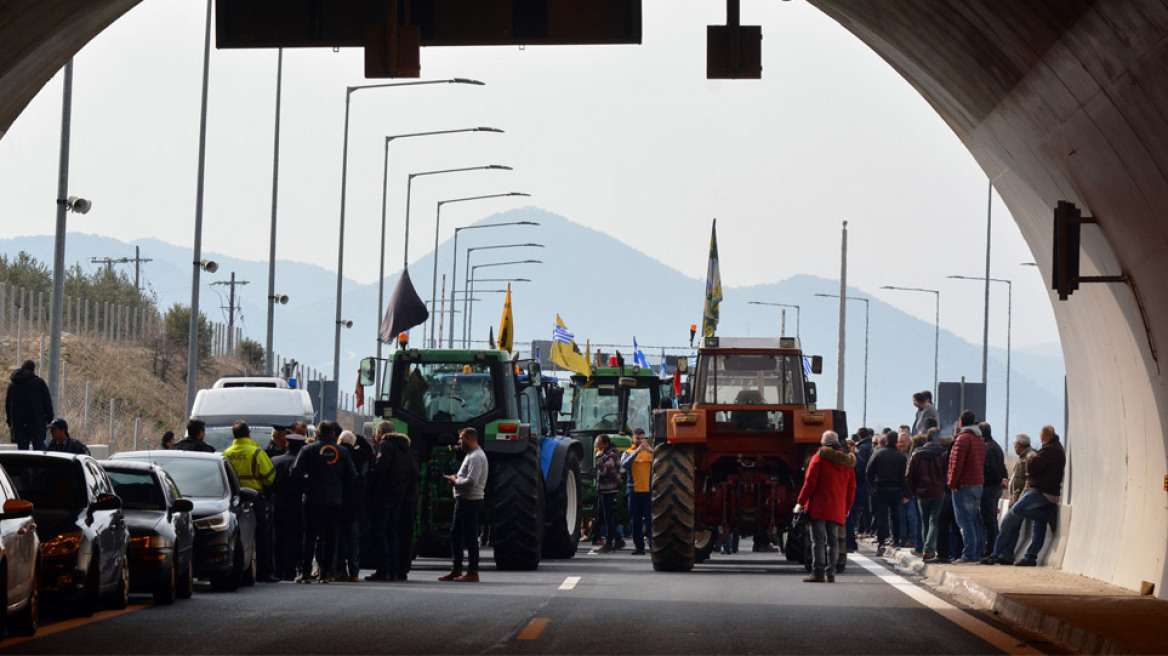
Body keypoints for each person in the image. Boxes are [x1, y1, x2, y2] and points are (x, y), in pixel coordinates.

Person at [987, 425, 1066, 566]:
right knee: (1038, 527)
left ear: (1043, 437)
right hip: (1045, 492)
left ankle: (995, 553)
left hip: (1040, 492)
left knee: (1015, 513)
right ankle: (1030, 557)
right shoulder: (1050, 449)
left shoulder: (1044, 451)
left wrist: (1020, 497)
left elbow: (1031, 470)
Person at [292, 420, 356, 583]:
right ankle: (326, 574)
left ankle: (306, 573)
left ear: (318, 433)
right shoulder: (342, 451)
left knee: (310, 537)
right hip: (334, 500)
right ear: (334, 434)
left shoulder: (308, 449)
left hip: (312, 499)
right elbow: (353, 475)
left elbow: (296, 472)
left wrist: (307, 484)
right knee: (331, 537)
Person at [797, 431, 857, 583]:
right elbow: (851, 488)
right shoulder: (847, 463)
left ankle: (818, 572)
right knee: (833, 540)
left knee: (818, 540)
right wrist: (848, 506)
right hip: (837, 508)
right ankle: (831, 573)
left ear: (823, 443)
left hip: (819, 506)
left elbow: (810, 483)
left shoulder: (818, 458)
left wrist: (800, 502)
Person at [222, 421, 279, 582]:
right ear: (248, 434)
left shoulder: (226, 453)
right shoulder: (256, 452)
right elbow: (270, 477)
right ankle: (263, 572)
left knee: (238, 536)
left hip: (233, 500)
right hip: (255, 499)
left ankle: (238, 568)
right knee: (262, 536)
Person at [366, 423, 417, 582]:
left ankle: (383, 569)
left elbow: (380, 469)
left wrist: (373, 488)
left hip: (384, 495)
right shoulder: (406, 448)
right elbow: (414, 472)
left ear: (380, 432)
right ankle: (395, 570)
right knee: (393, 533)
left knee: (380, 532)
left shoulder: (384, 445)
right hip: (400, 495)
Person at [439, 427, 488, 583]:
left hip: (469, 501)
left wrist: (455, 481)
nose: (459, 441)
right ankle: (457, 569)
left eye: (461, 438)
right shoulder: (471, 455)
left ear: (469, 438)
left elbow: (471, 482)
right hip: (464, 500)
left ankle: (472, 571)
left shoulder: (476, 457)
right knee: (456, 535)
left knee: (470, 536)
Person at [947, 410, 986, 564]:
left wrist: (952, 483)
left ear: (961, 422)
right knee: (975, 520)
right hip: (977, 483)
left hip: (964, 484)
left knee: (964, 521)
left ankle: (969, 554)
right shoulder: (979, 439)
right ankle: (977, 552)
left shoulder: (962, 439)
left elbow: (957, 464)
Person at [270, 429, 306, 581]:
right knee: (295, 538)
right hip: (298, 505)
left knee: (278, 538)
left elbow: (269, 484)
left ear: (286, 445)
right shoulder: (305, 464)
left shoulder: (275, 461)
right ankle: (291, 570)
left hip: (278, 504)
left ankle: (278, 570)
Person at [906, 429, 947, 560]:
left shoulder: (916, 454)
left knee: (924, 522)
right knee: (934, 520)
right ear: (939, 440)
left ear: (926, 439)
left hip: (921, 493)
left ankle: (926, 548)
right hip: (938, 492)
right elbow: (947, 474)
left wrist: (914, 490)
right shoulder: (944, 454)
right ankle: (929, 549)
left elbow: (908, 475)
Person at [336, 429, 370, 582]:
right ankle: (354, 572)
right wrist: (359, 438)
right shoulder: (360, 455)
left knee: (338, 539)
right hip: (355, 503)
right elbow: (368, 450)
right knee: (353, 540)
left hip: (338, 501)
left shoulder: (338, 455)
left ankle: (340, 571)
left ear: (340, 441)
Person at [866, 432, 908, 556]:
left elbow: (868, 471)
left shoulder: (878, 454)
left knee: (881, 515)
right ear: (895, 441)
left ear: (886, 441)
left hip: (880, 488)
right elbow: (903, 477)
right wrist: (905, 492)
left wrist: (873, 484)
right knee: (895, 515)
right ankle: (896, 540)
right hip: (896, 489)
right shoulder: (901, 456)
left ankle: (881, 542)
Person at [5, 360, 54, 451]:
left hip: (19, 424)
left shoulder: (13, 385)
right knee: (40, 450)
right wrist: (49, 419)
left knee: (23, 453)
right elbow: (47, 402)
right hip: (37, 423)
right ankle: (41, 465)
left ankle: (24, 465)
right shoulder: (39, 383)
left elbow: (8, 406)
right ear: (33, 369)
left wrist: (10, 422)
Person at [978, 421, 1009, 562]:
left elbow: (992, 468)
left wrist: (994, 480)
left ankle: (990, 550)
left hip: (989, 487)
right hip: (994, 487)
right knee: (990, 518)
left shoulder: (987, 448)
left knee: (988, 519)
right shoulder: (995, 446)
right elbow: (1002, 467)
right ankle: (993, 549)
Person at [621, 428, 653, 555]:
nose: (640, 441)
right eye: (637, 438)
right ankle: (639, 547)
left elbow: (661, 462)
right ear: (633, 438)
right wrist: (636, 453)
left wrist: (652, 451)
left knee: (650, 520)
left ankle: (652, 545)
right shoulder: (628, 453)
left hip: (648, 490)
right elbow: (624, 465)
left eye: (642, 438)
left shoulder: (650, 453)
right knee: (635, 521)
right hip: (633, 491)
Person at [593, 434, 622, 553]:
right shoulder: (608, 454)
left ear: (606, 444)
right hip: (604, 489)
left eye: (600, 444)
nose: (598, 447)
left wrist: (599, 459)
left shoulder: (612, 455)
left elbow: (605, 470)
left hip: (609, 489)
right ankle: (618, 539)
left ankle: (609, 542)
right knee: (603, 516)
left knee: (608, 516)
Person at [1008, 434, 1037, 504]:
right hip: (1017, 499)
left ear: (1018, 445)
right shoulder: (1022, 457)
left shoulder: (1030, 457)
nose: (1014, 447)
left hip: (1023, 502)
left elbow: (1029, 482)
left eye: (1014, 444)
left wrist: (1020, 500)